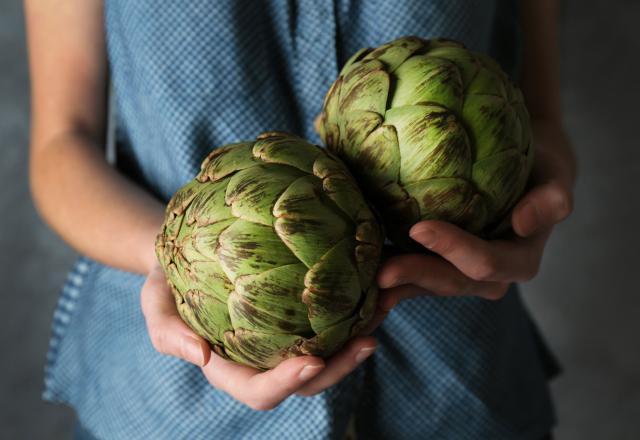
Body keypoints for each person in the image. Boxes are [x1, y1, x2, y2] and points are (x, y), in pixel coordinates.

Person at [25, 0, 575, 438]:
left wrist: (535, 200)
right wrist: (167, 257)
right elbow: (61, 144)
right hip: (174, 408)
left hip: (457, 392)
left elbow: (538, 114)